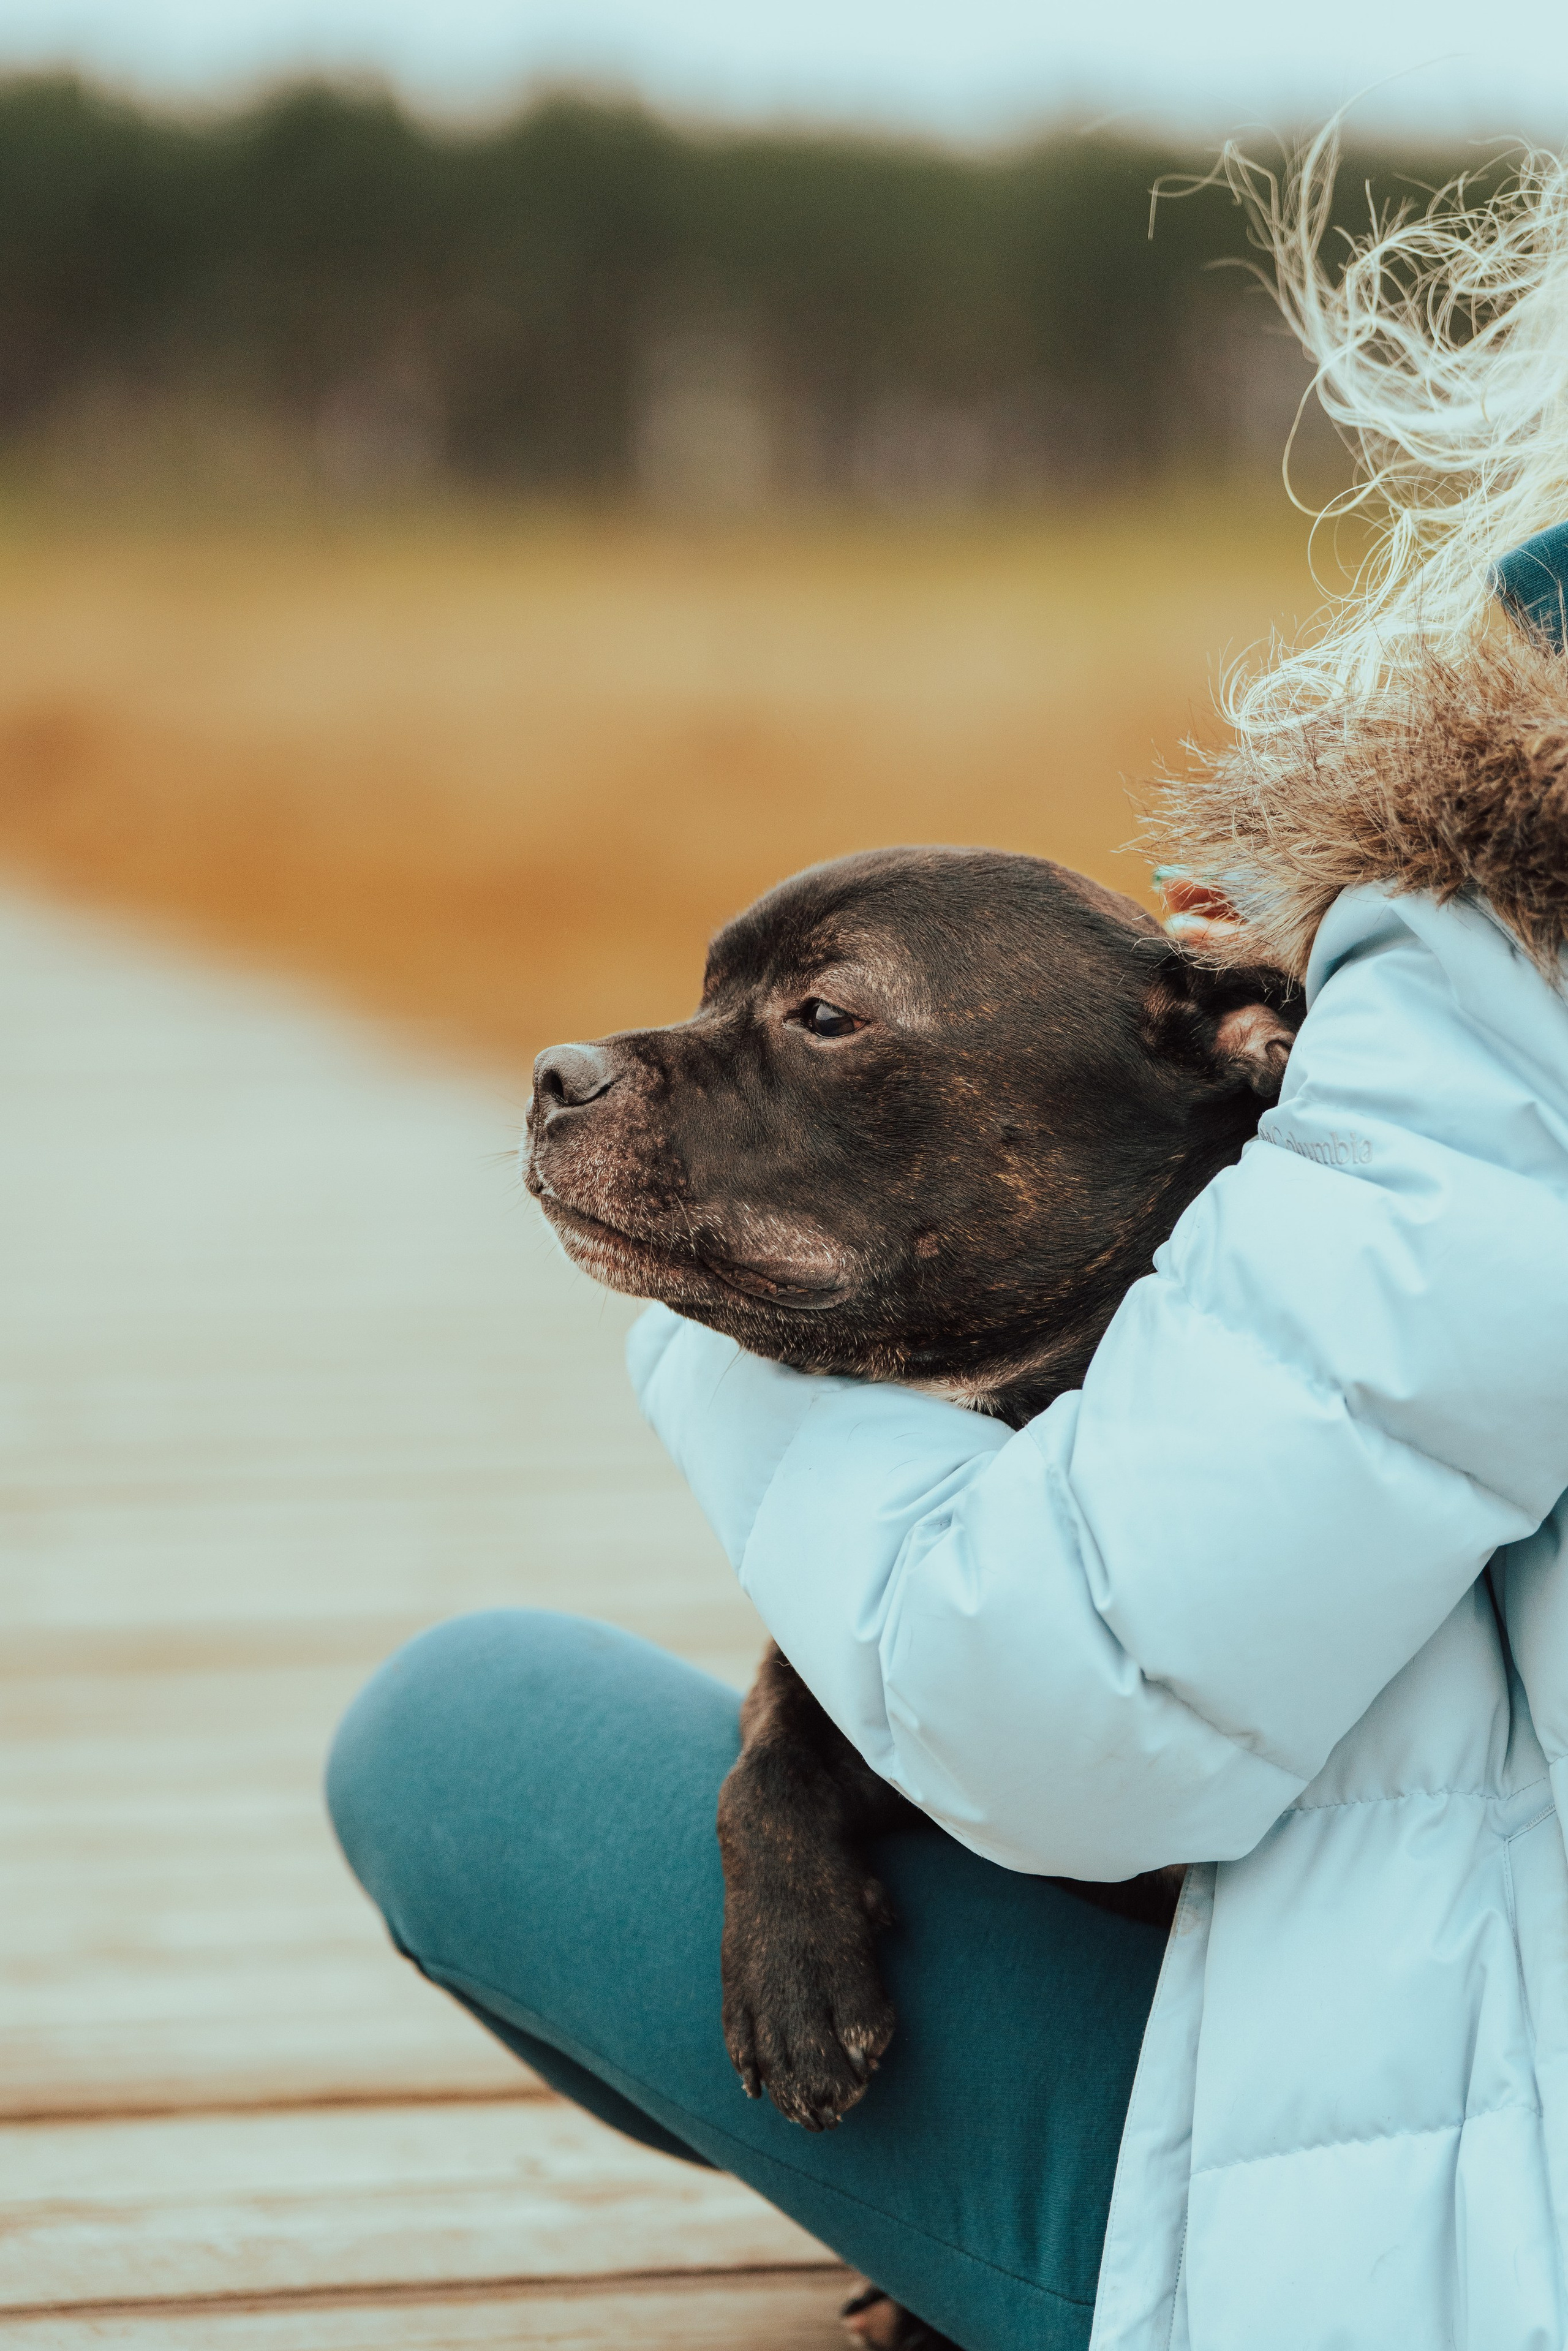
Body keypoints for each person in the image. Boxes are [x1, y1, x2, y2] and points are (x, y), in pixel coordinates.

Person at [327, 135, 1568, 2350]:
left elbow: (1078, 1704)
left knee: (460, 1743)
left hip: (1437, 2249)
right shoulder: (1350, 1074)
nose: (635, 1070)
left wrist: (730, 1321)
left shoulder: (1487, 982)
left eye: (814, 1029)